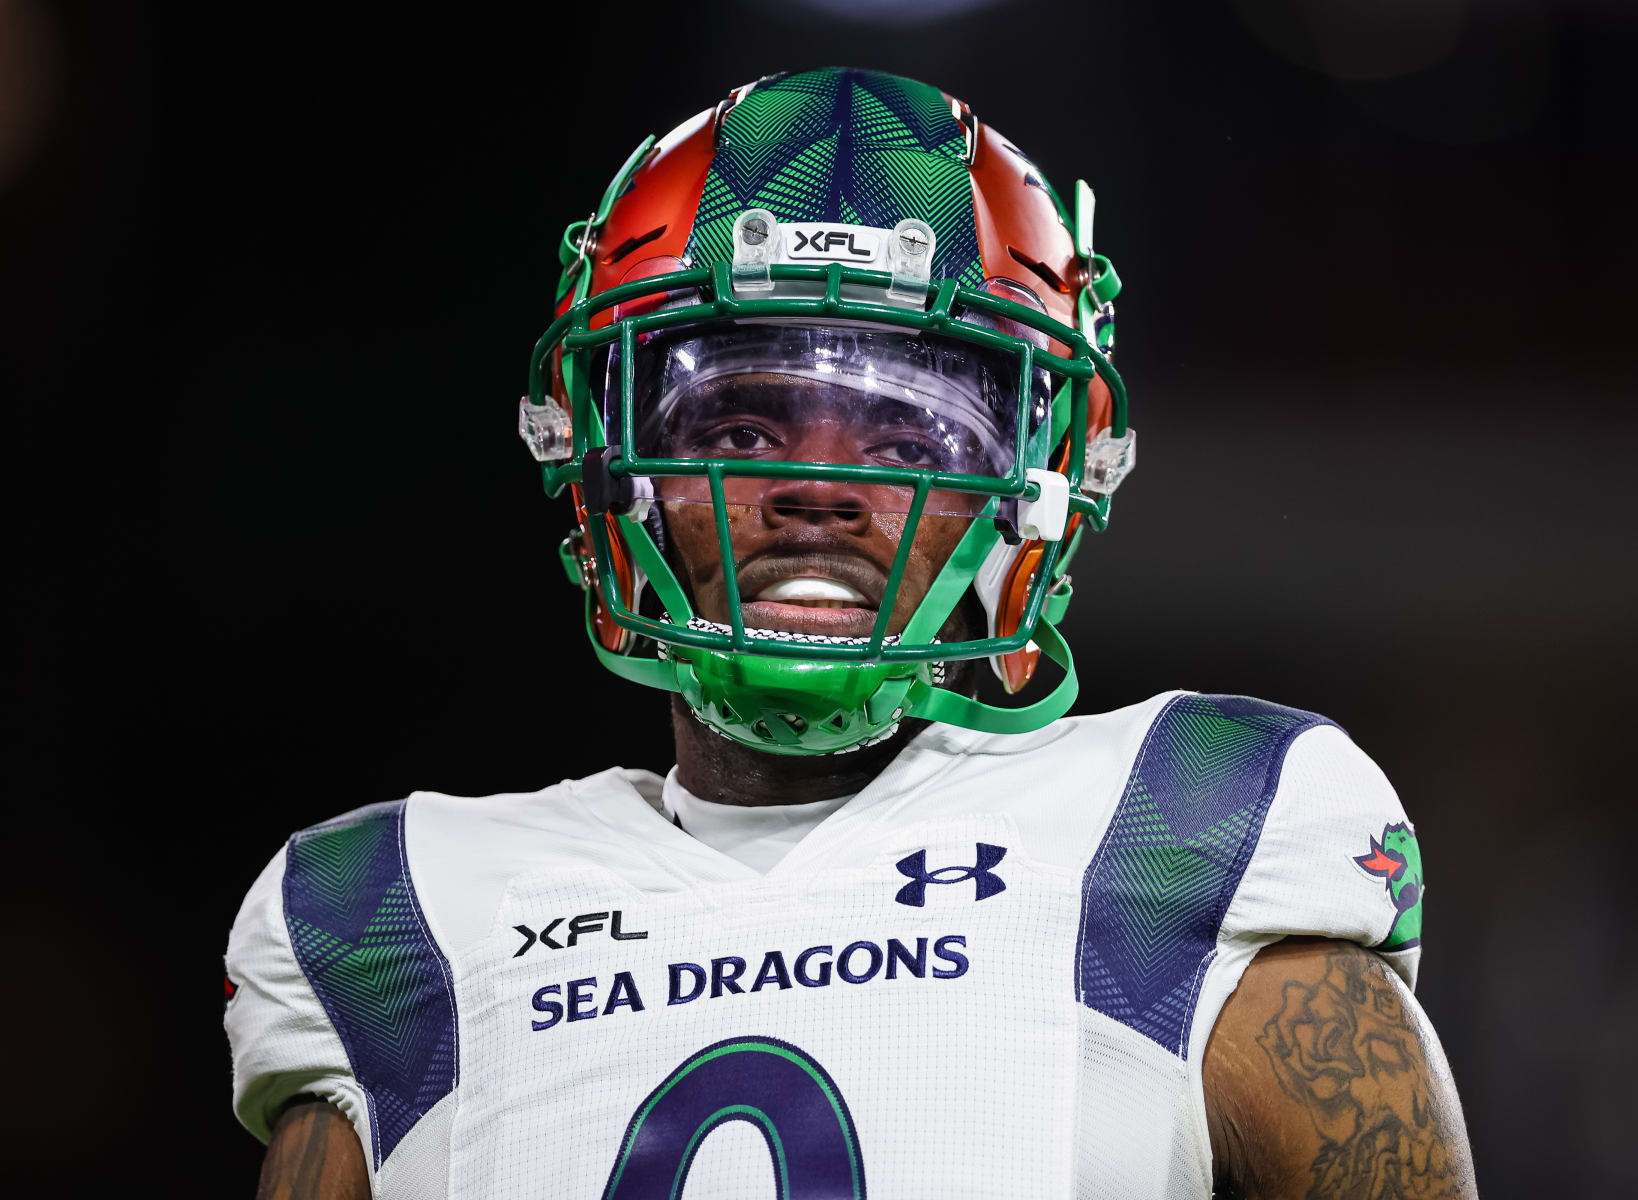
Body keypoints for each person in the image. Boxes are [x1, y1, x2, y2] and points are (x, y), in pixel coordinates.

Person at [224, 67, 1477, 1199]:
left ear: (1044, 480)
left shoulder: (1185, 837)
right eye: (740, 428)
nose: (819, 489)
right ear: (603, 456)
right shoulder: (398, 925)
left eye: (905, 438)